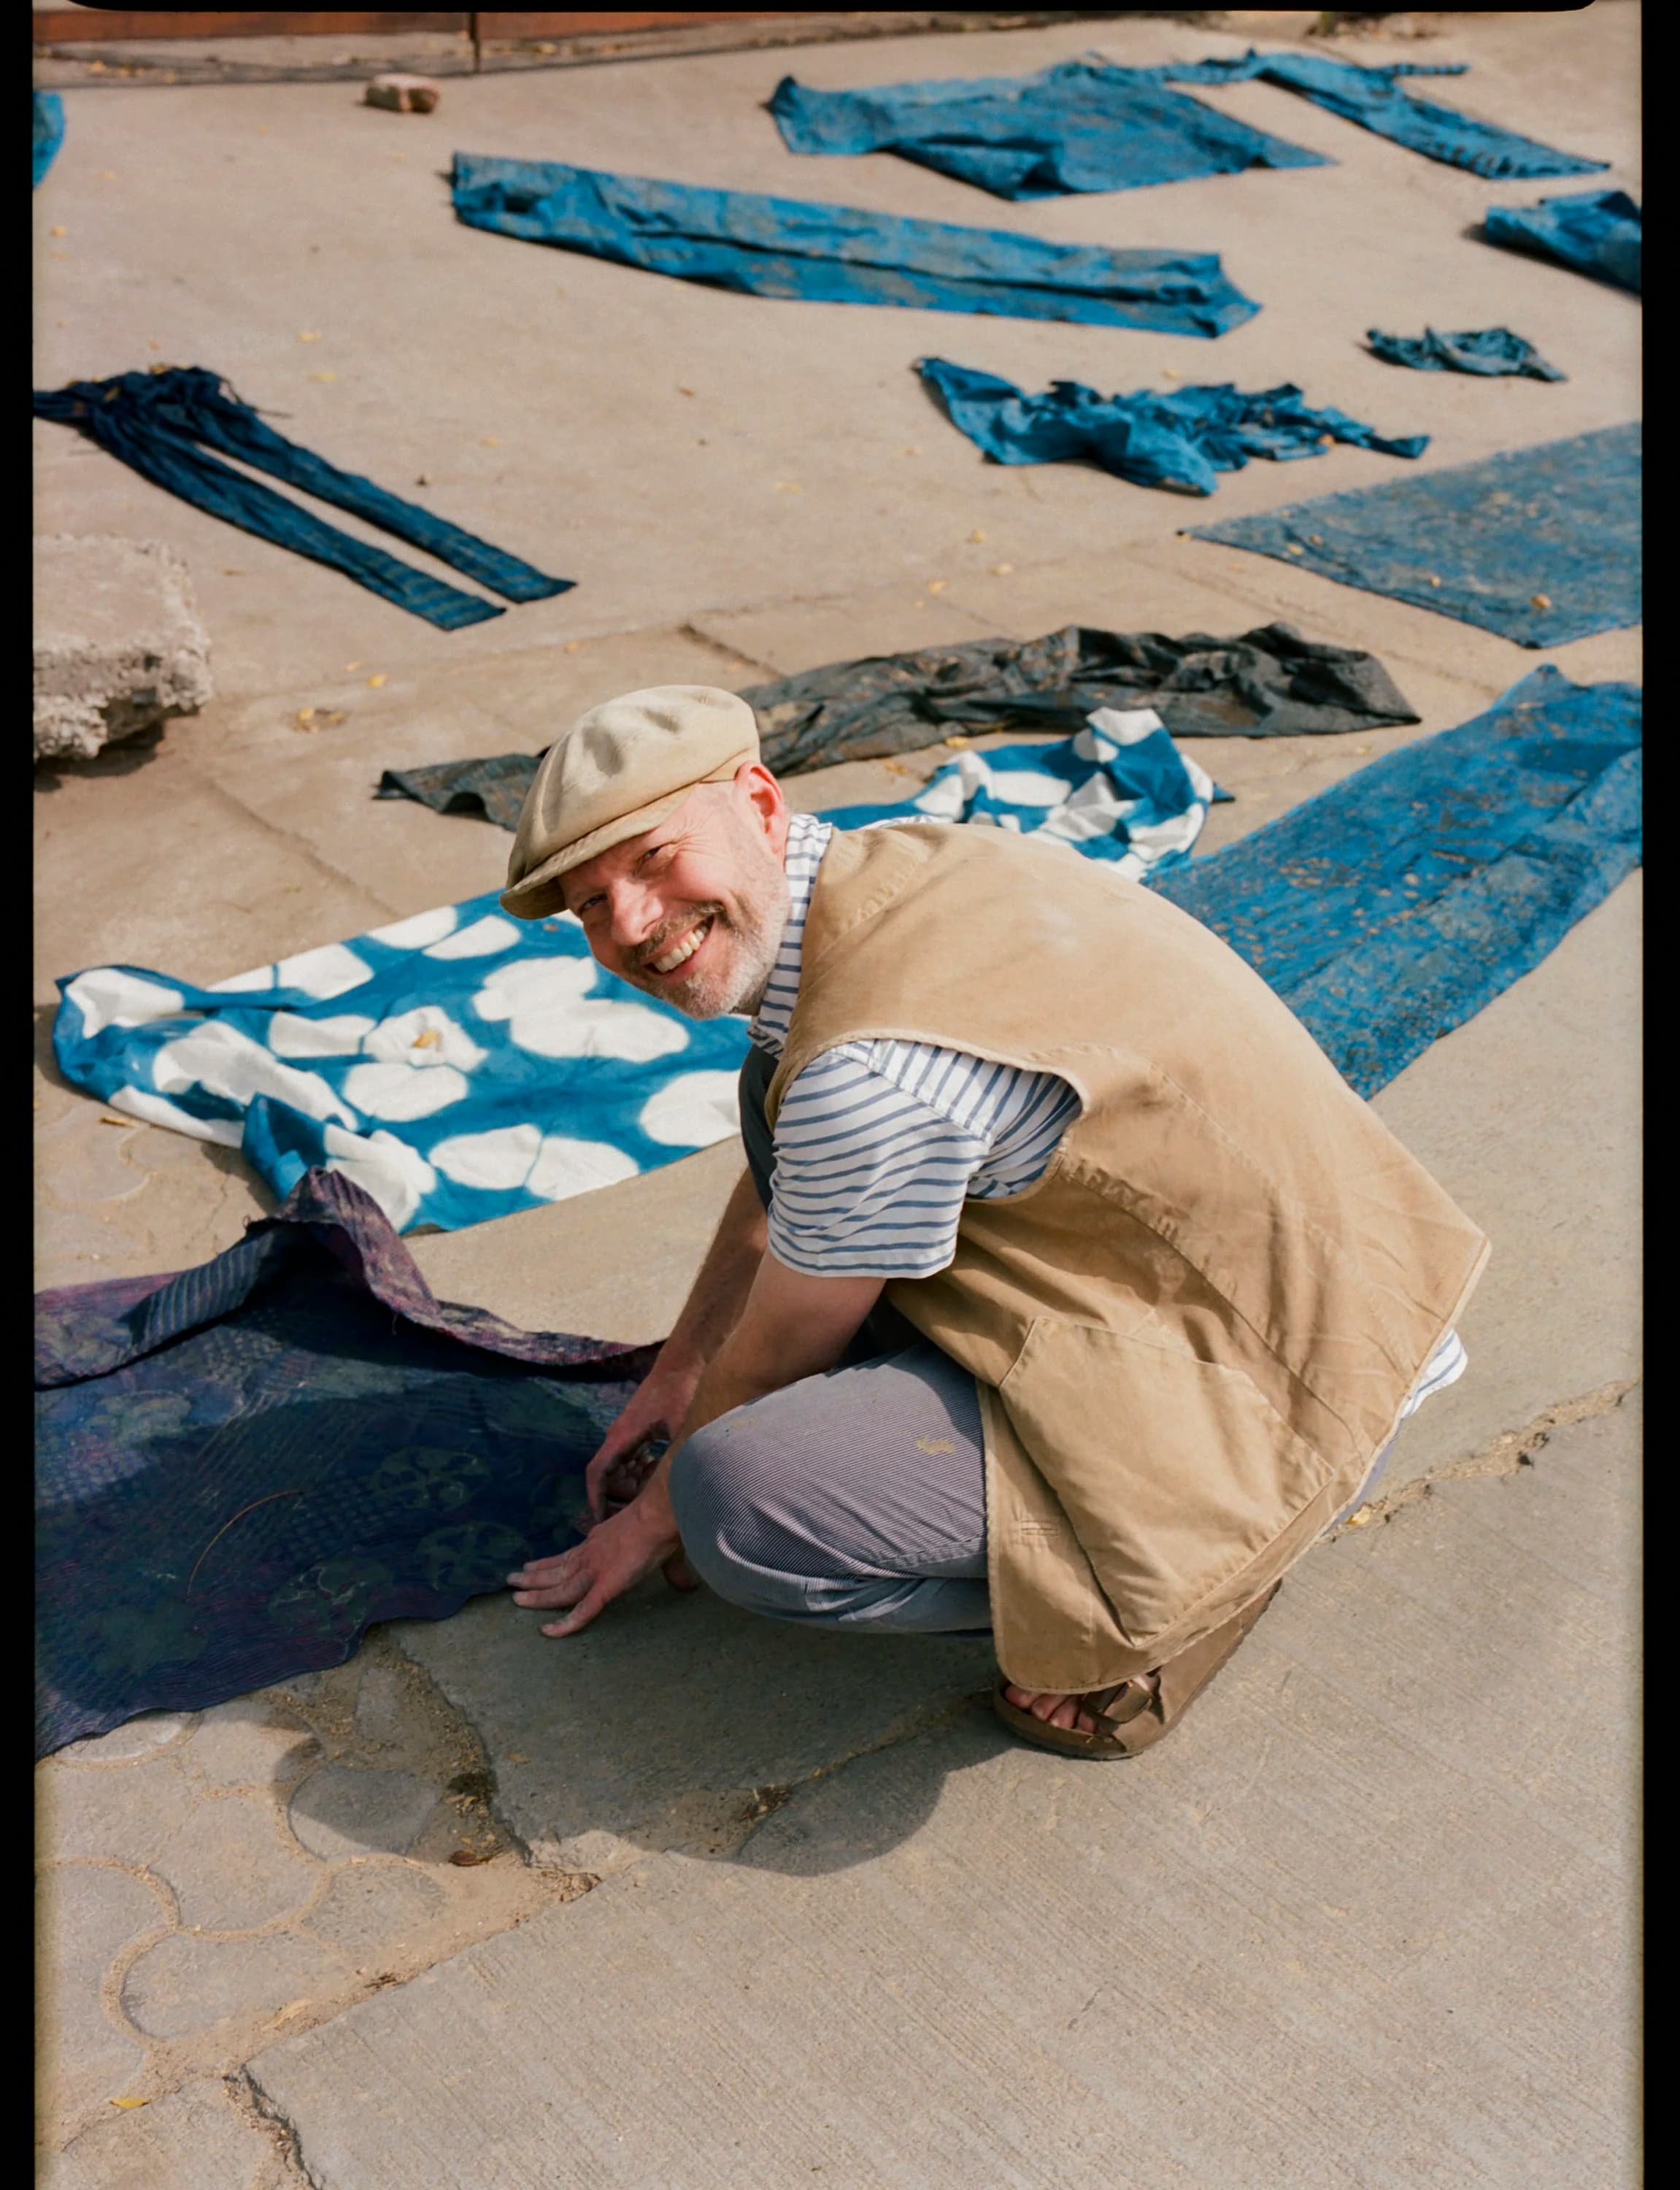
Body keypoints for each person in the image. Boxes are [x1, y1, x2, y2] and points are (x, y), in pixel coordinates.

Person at [498, 685, 1485, 1757]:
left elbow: (784, 1344)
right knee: (768, 1096)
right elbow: (796, 1161)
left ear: (758, 798)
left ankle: (1171, 1594)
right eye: (589, 904)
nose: (631, 926)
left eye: (651, 859)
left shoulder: (863, 1075)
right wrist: (680, 1367)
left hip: (1291, 1380)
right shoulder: (903, 864)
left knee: (738, 1502)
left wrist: (653, 1520)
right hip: (1356, 1273)